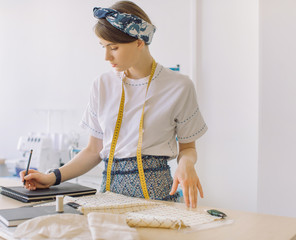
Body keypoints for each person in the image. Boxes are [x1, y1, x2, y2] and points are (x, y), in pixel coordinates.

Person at [20, 1, 207, 208]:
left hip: (158, 200)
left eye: (114, 47)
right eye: (103, 47)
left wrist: (186, 163)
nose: (107, 56)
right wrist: (52, 177)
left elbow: (188, 147)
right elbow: (93, 151)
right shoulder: (103, 85)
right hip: (107, 199)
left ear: (139, 41)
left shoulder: (179, 86)